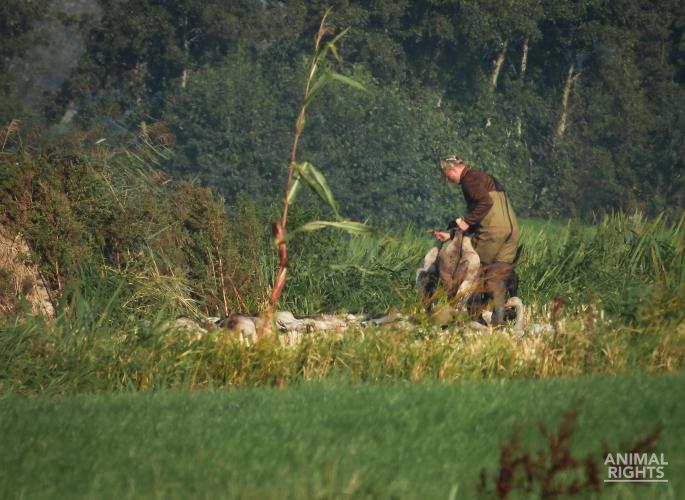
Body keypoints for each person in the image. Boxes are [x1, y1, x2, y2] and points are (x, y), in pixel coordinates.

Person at [433, 154, 520, 325]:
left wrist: (466, 221)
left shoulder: (469, 180)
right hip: (511, 232)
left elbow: (484, 203)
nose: (448, 180)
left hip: (492, 233)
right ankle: (499, 319)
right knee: (497, 274)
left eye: (446, 175)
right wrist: (451, 235)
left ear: (451, 169)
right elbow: (483, 213)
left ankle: (474, 320)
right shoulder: (484, 177)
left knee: (470, 270)